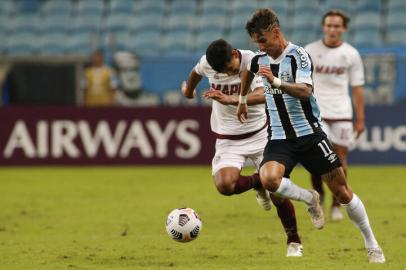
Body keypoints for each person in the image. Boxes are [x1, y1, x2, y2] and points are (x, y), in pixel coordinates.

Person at [237, 8, 385, 263]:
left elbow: (305, 91)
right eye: (256, 42)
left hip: (310, 135)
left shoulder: (298, 55)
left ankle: (372, 244)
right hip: (280, 138)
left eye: (263, 40)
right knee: (269, 179)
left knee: (343, 192)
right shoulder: (258, 58)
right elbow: (246, 70)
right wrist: (241, 99)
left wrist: (277, 83)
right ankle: (309, 198)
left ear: (275, 32)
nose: (260, 47)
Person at [182, 39, 303, 257]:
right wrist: (189, 91)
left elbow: (266, 94)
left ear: (234, 55)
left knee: (277, 193)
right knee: (225, 186)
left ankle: (294, 240)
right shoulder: (208, 63)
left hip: (260, 135)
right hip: (228, 138)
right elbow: (196, 72)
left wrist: (230, 99)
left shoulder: (254, 60)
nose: (227, 73)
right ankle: (259, 182)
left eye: (229, 69)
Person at [305, 10, 365, 221]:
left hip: (341, 113)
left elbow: (357, 88)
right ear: (323, 27)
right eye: (329, 25)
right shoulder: (309, 51)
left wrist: (360, 119)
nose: (332, 29)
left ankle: (337, 204)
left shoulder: (351, 54)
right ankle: (319, 195)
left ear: (344, 28)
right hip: (315, 112)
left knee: (340, 160)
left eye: (337, 26)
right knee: (315, 160)